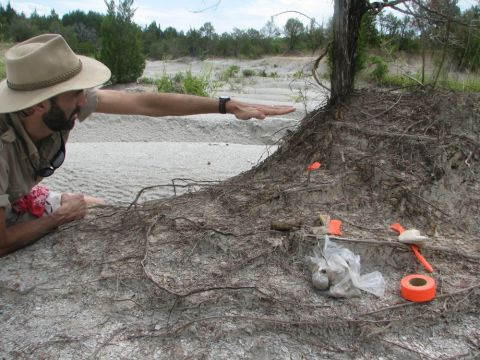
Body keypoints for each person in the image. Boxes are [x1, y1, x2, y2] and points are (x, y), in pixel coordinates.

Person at [0, 34, 295, 256]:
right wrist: (59, 218)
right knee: (81, 218)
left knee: (102, 207)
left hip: (17, 196)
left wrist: (227, 105)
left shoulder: (57, 107)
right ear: (37, 104)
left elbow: (144, 102)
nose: (84, 100)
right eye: (74, 95)